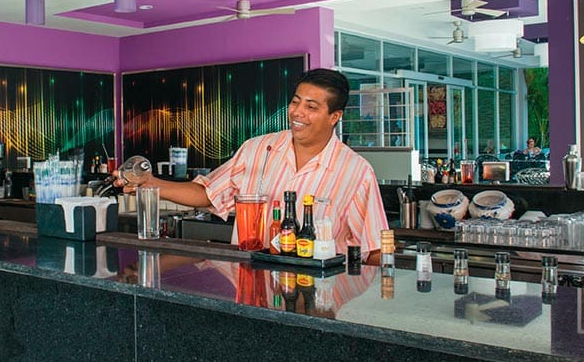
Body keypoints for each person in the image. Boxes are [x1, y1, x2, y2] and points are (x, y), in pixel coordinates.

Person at [115, 68, 388, 264]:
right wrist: (149, 183)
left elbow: (375, 248)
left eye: (311, 107)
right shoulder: (257, 149)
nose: (297, 112)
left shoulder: (356, 172)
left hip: (318, 294)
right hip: (250, 285)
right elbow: (208, 193)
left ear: (334, 116)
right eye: (295, 102)